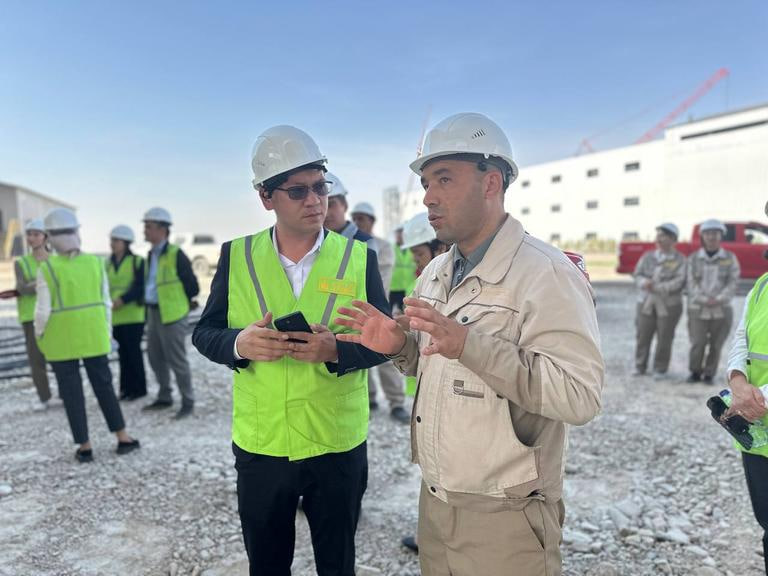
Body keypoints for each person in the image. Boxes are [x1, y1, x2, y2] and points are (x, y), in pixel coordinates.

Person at [336, 112, 604, 576]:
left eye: (444, 178)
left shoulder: (545, 273)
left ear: (491, 183)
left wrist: (468, 344)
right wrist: (399, 345)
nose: (428, 196)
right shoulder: (436, 272)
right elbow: (435, 362)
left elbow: (579, 397)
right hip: (436, 499)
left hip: (507, 514)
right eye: (426, 183)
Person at [192, 125, 390, 576]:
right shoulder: (237, 256)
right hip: (263, 443)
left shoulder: (359, 259)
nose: (314, 200)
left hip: (335, 442)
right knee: (267, 564)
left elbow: (385, 343)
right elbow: (205, 333)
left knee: (337, 564)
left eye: (320, 187)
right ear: (266, 197)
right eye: (298, 191)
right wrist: (239, 343)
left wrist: (336, 351)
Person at [34, 208, 140, 463]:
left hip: (60, 340)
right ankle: (122, 437)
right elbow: (105, 302)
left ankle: (85, 446)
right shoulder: (95, 263)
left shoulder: (47, 268)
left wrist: (39, 335)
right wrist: (106, 332)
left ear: (50, 237)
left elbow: (42, 311)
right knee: (104, 387)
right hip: (94, 336)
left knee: (71, 393)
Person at [397, 210, 449, 555]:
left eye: (419, 254)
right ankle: (431, 535)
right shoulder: (431, 279)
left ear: (439, 246)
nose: (416, 262)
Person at [725, 202, 768, 575]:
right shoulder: (762, 284)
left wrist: (758, 397)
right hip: (758, 432)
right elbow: (742, 337)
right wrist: (737, 380)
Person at [350, 201, 409, 424]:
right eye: (355, 218)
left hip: (379, 307)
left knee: (386, 354)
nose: (357, 222)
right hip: (356, 308)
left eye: (361, 218)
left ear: (372, 221)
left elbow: (381, 280)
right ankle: (370, 398)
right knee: (358, 349)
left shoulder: (383, 247)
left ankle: (396, 403)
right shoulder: (346, 245)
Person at [141, 207, 199, 419]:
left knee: (177, 360)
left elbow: (192, 287)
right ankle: (164, 396)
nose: (145, 231)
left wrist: (183, 303)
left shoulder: (176, 254)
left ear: (162, 229)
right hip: (154, 312)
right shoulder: (150, 255)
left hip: (172, 314)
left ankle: (187, 401)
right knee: (155, 358)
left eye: (148, 227)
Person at [687, 219, 740, 383]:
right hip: (698, 308)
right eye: (708, 233)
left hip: (722, 308)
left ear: (721, 236)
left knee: (716, 344)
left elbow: (733, 282)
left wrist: (718, 299)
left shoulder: (730, 258)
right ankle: (695, 372)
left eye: (715, 233)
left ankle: (709, 373)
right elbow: (691, 283)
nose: (711, 237)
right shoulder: (694, 258)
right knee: (698, 342)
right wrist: (704, 299)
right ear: (702, 236)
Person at [632, 223, 686, 379]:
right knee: (643, 335)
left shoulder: (680, 260)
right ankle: (640, 366)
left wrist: (657, 287)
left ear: (673, 239)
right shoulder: (648, 257)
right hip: (646, 303)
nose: (659, 239)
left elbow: (680, 281)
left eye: (663, 236)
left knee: (665, 337)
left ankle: (660, 368)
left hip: (669, 305)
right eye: (658, 236)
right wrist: (644, 283)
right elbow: (637, 274)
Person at [14, 219, 54, 411]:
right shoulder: (21, 262)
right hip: (30, 316)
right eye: (29, 234)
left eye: (36, 234)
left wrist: (35, 284)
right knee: (36, 360)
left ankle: (66, 393)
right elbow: (22, 288)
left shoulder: (55, 260)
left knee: (60, 356)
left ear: (45, 237)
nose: (31, 238)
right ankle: (45, 397)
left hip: (54, 314)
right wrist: (44, 282)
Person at [106, 225, 147, 400]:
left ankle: (139, 389)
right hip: (115, 316)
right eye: (112, 240)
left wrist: (123, 299)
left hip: (133, 315)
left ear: (126, 242)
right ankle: (125, 389)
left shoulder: (137, 262)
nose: (112, 244)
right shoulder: (107, 264)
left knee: (133, 353)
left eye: (116, 240)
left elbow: (140, 287)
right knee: (122, 354)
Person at [390, 224, 417, 314]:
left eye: (401, 233)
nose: (399, 235)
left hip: (408, 287)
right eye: (397, 233)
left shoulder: (412, 249)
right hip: (393, 287)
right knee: (387, 312)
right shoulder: (390, 249)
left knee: (406, 312)